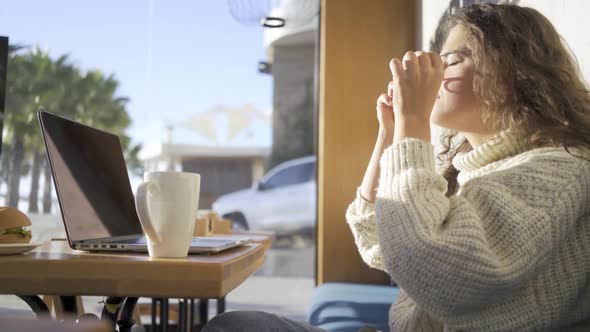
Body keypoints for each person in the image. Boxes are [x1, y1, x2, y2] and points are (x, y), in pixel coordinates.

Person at [202, 3, 590, 331]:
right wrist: (390, 133)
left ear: (512, 75)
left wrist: (415, 124)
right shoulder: (478, 169)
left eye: (452, 60)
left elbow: (440, 275)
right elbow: (379, 241)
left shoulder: (556, 169)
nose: (435, 72)